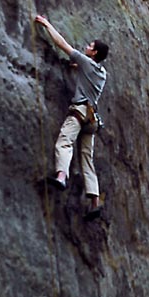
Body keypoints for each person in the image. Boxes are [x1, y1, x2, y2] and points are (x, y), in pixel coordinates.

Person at [35, 15, 108, 221]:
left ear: (93, 53)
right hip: (92, 121)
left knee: (64, 142)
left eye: (89, 46)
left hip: (79, 113)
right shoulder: (102, 72)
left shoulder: (86, 61)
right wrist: (76, 68)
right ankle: (94, 201)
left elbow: (62, 44)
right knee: (87, 158)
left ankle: (61, 176)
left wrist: (47, 24)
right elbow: (85, 70)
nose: (86, 46)